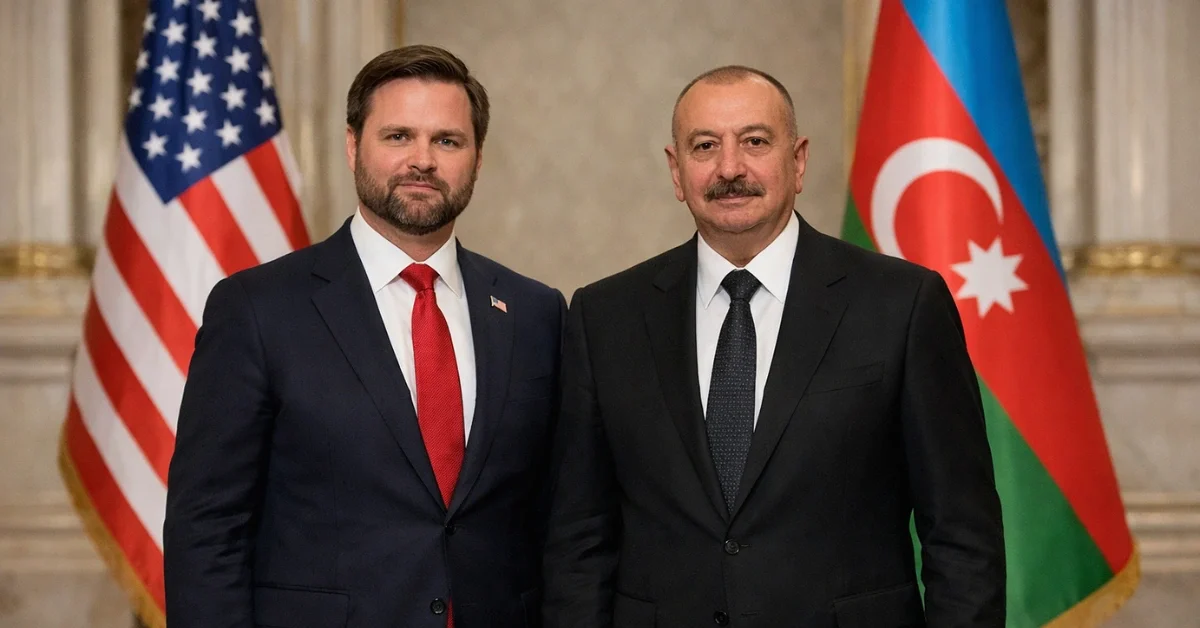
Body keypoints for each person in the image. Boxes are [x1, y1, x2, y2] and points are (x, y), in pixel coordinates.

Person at [542, 65, 1005, 627]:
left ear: (799, 160)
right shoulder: (605, 316)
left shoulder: (902, 305)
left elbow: (962, 537)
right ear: (676, 170)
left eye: (755, 142)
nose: (730, 168)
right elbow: (579, 542)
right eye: (704, 146)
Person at [165, 45, 564, 628]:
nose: (422, 160)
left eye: (447, 141)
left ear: (478, 159)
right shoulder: (256, 309)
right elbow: (207, 529)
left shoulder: (536, 313)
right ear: (354, 146)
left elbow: (559, 516)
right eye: (398, 136)